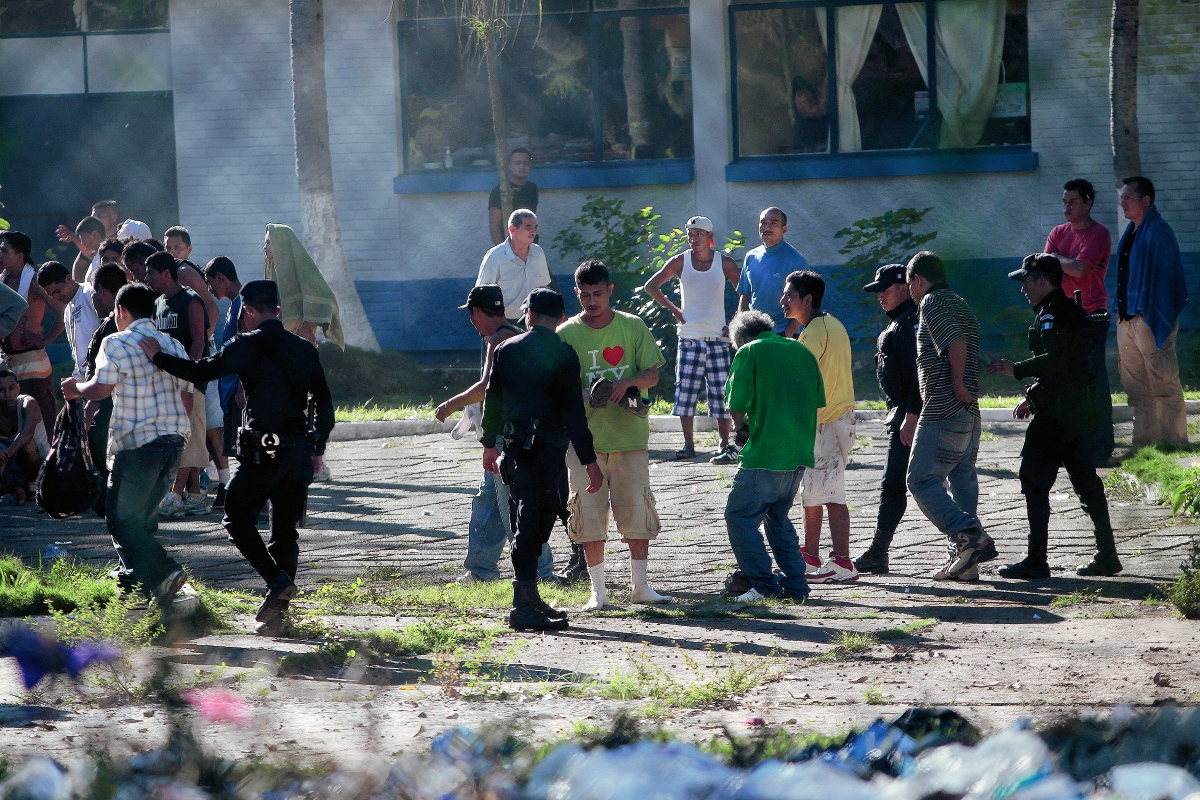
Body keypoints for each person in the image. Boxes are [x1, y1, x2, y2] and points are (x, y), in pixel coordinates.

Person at [140, 280, 335, 636]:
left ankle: (276, 581)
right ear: (278, 310)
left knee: (236, 519)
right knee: (285, 533)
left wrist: (158, 356)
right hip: (296, 452)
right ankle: (278, 613)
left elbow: (201, 372)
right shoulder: (305, 349)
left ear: (248, 311)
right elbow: (324, 404)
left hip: (263, 450)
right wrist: (317, 448)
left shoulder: (246, 345)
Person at [987, 254, 1122, 579]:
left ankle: (1037, 560)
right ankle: (1107, 554)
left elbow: (1057, 361)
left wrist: (1017, 369)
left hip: (1057, 418)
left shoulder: (1051, 315)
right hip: (1074, 413)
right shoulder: (1061, 311)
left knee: (1034, 482)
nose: (1023, 289)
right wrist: (1034, 399)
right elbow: (1066, 369)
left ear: (1042, 281)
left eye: (1026, 282)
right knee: (1086, 483)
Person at [61, 283, 193, 608]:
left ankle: (166, 573)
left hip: (137, 444)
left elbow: (101, 389)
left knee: (120, 518)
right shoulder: (173, 344)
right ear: (153, 311)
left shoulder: (115, 341)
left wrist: (76, 388)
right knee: (143, 518)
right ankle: (140, 587)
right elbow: (188, 396)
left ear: (121, 311)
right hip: (174, 442)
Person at [481, 288, 602, 630]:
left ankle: (529, 596)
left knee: (528, 522)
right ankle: (522, 607)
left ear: (529, 315)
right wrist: (590, 461)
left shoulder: (506, 348)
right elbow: (574, 414)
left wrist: (489, 444)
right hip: (545, 451)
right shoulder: (563, 354)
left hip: (514, 450)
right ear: (561, 318)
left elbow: (493, 399)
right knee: (533, 525)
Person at [557, 260, 671, 610]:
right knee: (588, 516)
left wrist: (627, 383)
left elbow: (653, 375)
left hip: (630, 437)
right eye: (585, 294)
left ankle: (641, 586)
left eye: (598, 293)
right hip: (583, 443)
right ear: (576, 293)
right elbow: (556, 388)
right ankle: (598, 592)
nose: (592, 301)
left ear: (610, 291)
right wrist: (587, 396)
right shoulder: (566, 335)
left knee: (637, 513)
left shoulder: (632, 326)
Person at [435, 284, 556, 583]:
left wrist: (451, 404)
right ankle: (480, 569)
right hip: (511, 431)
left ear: (476, 312)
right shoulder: (513, 333)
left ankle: (542, 573)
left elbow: (488, 387)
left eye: (471, 315)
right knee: (488, 502)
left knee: (516, 507)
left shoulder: (500, 339)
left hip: (506, 437)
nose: (472, 322)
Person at [905, 251, 996, 581]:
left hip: (943, 407)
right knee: (961, 483)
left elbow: (954, 341)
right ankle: (966, 561)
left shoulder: (932, 302)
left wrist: (956, 383)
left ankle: (969, 536)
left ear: (918, 280)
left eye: (909, 285)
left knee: (919, 479)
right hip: (969, 413)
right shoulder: (959, 301)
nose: (910, 294)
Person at [721, 310, 822, 602]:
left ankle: (763, 585)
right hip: (799, 453)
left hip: (765, 454)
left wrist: (742, 430)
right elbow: (816, 400)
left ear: (740, 339)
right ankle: (797, 586)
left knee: (739, 517)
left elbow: (735, 404)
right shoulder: (802, 351)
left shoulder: (749, 352)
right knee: (777, 518)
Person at [780, 270, 858, 583]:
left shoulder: (814, 333)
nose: (783, 301)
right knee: (812, 492)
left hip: (829, 423)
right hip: (827, 421)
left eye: (789, 295)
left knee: (832, 494)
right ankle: (809, 556)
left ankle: (842, 562)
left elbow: (796, 381)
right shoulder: (829, 324)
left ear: (807, 300)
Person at [644, 215, 741, 463]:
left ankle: (724, 443)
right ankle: (688, 444)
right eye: (690, 234)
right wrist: (674, 310)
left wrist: (735, 322)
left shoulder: (725, 262)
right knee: (685, 393)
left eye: (699, 234)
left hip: (718, 338)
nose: (694, 239)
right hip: (689, 337)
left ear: (709, 237)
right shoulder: (680, 261)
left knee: (721, 393)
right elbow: (651, 286)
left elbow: (745, 291)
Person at [854, 264, 921, 574]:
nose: (880, 294)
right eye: (878, 290)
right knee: (901, 484)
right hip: (904, 415)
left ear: (906, 288)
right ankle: (878, 551)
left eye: (887, 289)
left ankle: (968, 541)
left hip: (913, 418)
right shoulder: (901, 322)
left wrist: (910, 416)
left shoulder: (909, 327)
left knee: (903, 485)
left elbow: (919, 379)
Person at [1115, 176, 1188, 449]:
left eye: (1127, 197)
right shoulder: (1132, 231)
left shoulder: (1159, 231)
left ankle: (1174, 443)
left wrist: (1150, 311)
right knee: (1136, 387)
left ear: (1145, 201)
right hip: (1126, 318)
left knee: (1163, 383)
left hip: (1148, 318)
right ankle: (1146, 445)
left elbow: (1169, 279)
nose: (1122, 202)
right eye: (1121, 197)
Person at [1045, 178, 1114, 464]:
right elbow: (1045, 269)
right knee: (1063, 379)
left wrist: (1058, 260)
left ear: (1088, 202)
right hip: (1063, 316)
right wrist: (1066, 262)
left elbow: (1082, 270)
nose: (1067, 207)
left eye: (1073, 201)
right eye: (1064, 201)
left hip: (1090, 315)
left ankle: (1100, 446)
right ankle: (1069, 444)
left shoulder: (1099, 233)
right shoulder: (1058, 232)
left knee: (1093, 379)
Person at [144, 252, 210, 516]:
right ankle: (194, 495)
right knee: (179, 435)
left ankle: (174, 495)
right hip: (166, 381)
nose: (147, 278)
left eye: (151, 273)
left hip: (189, 380)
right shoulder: (159, 303)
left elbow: (199, 341)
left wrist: (188, 377)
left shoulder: (190, 301)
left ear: (166, 273)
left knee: (188, 436)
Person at [79, 265, 128, 512]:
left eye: (94, 295)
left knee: (105, 461)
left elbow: (103, 376)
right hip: (112, 409)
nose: (93, 302)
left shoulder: (112, 330)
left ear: (102, 291)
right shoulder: (112, 324)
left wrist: (88, 411)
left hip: (108, 409)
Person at [0, 232, 58, 429]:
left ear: (20, 255)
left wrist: (46, 340)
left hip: (33, 363)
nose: (0, 254)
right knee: (16, 424)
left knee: (43, 421)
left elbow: (62, 312)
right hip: (9, 363)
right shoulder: (4, 279)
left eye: (4, 250)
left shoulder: (34, 280)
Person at [264, 223, 345, 349]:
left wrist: (307, 324)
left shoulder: (301, 269)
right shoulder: (276, 274)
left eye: (269, 243)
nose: (265, 247)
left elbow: (325, 295)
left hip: (300, 341)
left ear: (281, 244)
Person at [204, 256, 243, 493]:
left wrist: (241, 387)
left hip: (238, 390)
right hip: (228, 389)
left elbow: (248, 351)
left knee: (245, 450)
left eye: (210, 284)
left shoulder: (242, 305)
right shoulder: (232, 304)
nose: (209, 290)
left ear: (221, 278)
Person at [737, 208, 807, 337]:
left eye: (774, 223)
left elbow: (807, 301)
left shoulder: (796, 260)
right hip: (755, 331)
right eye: (763, 223)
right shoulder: (751, 256)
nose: (767, 227)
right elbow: (745, 296)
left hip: (782, 331)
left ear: (784, 229)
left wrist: (790, 330)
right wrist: (741, 325)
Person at [476, 209, 552, 325]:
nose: (533, 232)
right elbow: (481, 296)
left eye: (535, 227)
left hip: (532, 323)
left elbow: (543, 287)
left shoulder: (538, 253)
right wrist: (489, 332)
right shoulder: (495, 256)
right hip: (501, 324)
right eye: (528, 227)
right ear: (512, 229)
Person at [37, 261, 99, 381]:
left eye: (57, 291)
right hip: (84, 379)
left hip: (101, 376)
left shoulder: (90, 294)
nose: (56, 298)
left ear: (69, 279)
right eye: (51, 295)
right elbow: (77, 353)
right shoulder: (67, 311)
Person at [0, 368, 50, 504]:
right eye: (1, 390)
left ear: (18, 388)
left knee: (27, 446)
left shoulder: (28, 403)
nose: (7, 394)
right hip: (9, 468)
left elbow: (27, 434)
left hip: (38, 465)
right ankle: (12, 488)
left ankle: (33, 486)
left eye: (11, 389)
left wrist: (5, 457)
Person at [57, 202, 118, 281]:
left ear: (114, 218)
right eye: (93, 218)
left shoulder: (127, 233)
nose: (94, 221)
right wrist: (81, 289)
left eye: (99, 217)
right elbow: (80, 265)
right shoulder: (92, 244)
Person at [489, 148, 538, 246]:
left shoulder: (532, 188)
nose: (522, 167)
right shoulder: (500, 191)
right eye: (517, 163)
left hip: (529, 245)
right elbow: (494, 225)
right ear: (510, 166)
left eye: (526, 163)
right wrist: (502, 251)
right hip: (508, 245)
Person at [60, 216, 108, 283]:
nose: (82, 243)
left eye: (84, 238)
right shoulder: (97, 256)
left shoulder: (107, 257)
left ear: (95, 234)